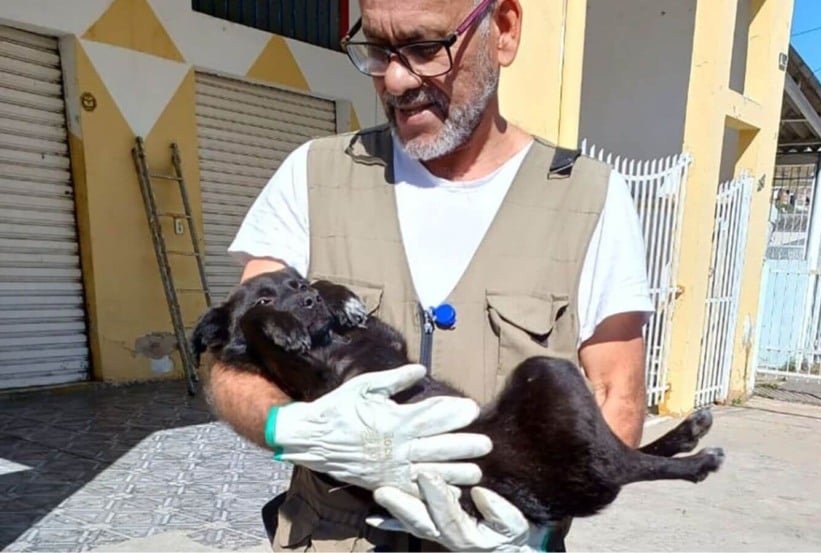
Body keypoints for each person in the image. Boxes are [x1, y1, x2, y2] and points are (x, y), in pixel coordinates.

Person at [204, 0, 655, 550]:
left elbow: (618, 398)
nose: (395, 79)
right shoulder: (312, 175)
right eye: (377, 49)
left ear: (505, 32)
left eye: (424, 48)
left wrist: (535, 528)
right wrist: (286, 428)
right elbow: (232, 365)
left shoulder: (590, 199)